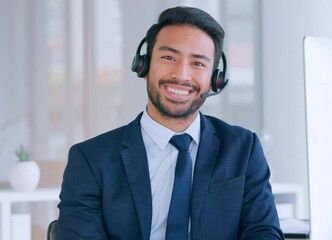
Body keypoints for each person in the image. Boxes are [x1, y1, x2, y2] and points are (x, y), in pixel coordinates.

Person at [57, 6, 284, 240]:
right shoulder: (90, 159)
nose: (181, 75)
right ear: (143, 66)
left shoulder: (243, 149)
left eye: (198, 64)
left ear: (215, 81)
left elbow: (263, 232)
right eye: (169, 57)